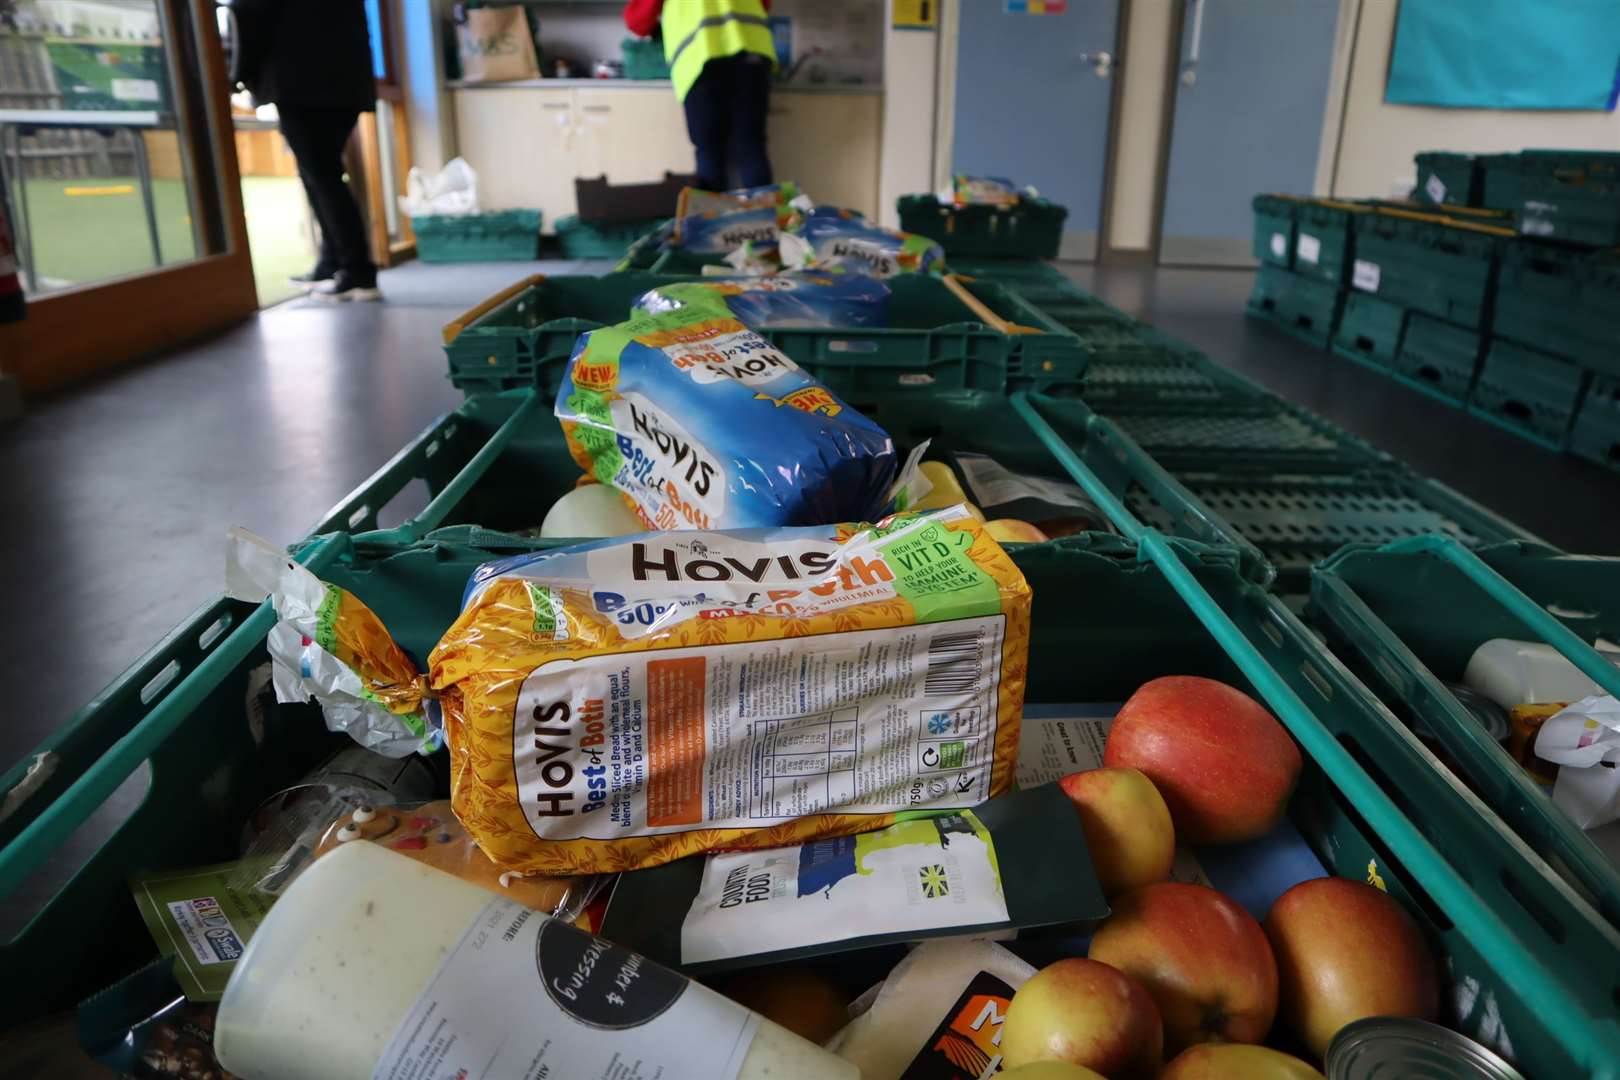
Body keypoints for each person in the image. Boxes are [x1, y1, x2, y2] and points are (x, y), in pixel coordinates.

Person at [235, 0, 380, 301]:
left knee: (322, 176)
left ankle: (357, 271)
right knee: (320, 174)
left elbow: (249, 15)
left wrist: (238, 73)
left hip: (300, 81)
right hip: (345, 82)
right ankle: (334, 262)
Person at [623, 0, 776, 193]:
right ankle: (766, 220)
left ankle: (712, 221)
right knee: (751, 147)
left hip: (701, 57)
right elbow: (765, 4)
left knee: (710, 151)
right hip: (752, 52)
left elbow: (637, 21)